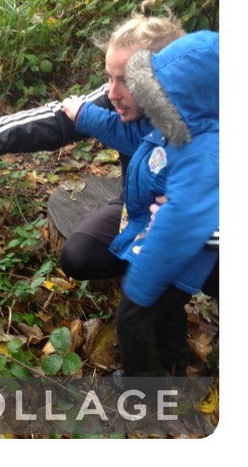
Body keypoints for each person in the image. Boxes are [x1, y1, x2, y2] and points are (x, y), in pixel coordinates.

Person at [0, 9, 217, 383]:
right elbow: (65, 118)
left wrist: (201, 232)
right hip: (143, 215)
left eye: (124, 80)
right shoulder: (123, 99)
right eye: (108, 77)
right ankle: (169, 346)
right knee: (85, 256)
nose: (112, 93)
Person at [65, 30, 218, 385]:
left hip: (169, 260)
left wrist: (140, 285)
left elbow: (179, 223)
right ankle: (176, 366)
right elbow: (130, 136)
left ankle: (144, 385)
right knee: (167, 315)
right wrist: (84, 114)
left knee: (133, 319)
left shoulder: (204, 151)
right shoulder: (174, 125)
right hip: (162, 253)